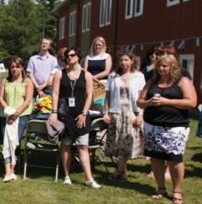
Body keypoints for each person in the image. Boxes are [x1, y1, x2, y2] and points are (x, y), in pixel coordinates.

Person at [137, 54, 197, 204]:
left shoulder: (182, 81)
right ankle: (161, 188)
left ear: (173, 67)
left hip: (175, 127)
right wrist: (149, 102)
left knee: (174, 159)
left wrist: (167, 102)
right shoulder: (152, 81)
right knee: (156, 157)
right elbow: (140, 101)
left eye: (165, 66)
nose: (161, 69)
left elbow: (192, 102)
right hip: (152, 125)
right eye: (159, 66)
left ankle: (177, 190)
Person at [49, 46, 100, 188]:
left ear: (78, 57)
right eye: (67, 56)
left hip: (81, 114)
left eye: (72, 55)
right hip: (64, 114)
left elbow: (90, 95)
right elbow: (55, 94)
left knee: (83, 146)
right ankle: (66, 175)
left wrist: (84, 113)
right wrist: (54, 112)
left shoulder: (87, 75)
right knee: (66, 145)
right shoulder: (60, 74)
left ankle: (89, 179)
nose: (69, 58)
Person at [103, 52, 146, 180]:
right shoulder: (113, 76)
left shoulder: (139, 76)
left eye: (126, 60)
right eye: (121, 60)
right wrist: (106, 112)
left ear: (132, 60)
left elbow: (142, 96)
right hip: (117, 111)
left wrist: (141, 114)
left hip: (132, 112)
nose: (123, 62)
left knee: (127, 142)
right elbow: (108, 96)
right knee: (118, 142)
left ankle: (120, 170)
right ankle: (122, 170)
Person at [0, 56, 34, 182]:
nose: (14, 69)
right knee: (6, 141)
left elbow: (28, 99)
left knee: (15, 141)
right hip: (6, 115)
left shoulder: (27, 81)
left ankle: (13, 168)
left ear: (22, 67)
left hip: (22, 115)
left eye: (17, 66)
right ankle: (7, 170)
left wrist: (17, 112)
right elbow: (0, 97)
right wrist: (8, 109)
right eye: (12, 67)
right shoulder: (4, 81)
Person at [83, 36, 113, 110]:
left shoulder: (107, 56)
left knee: (98, 107)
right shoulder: (88, 57)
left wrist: (92, 78)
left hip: (101, 84)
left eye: (99, 45)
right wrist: (90, 79)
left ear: (103, 46)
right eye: (96, 45)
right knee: (88, 106)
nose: (97, 46)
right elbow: (84, 71)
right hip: (89, 84)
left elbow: (106, 72)